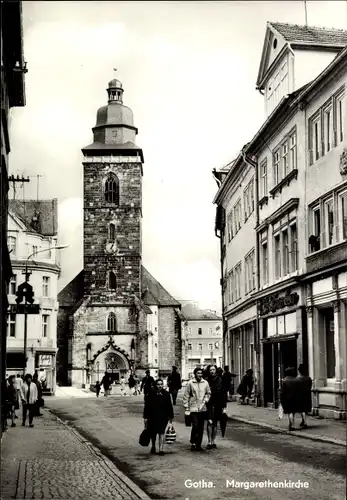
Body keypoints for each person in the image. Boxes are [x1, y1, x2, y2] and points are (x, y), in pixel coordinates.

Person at [183, 367, 211, 451]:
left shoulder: (205, 383)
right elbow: (186, 395)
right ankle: (193, 442)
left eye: (201, 373)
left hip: (202, 408)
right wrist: (186, 407)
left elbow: (208, 393)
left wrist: (206, 399)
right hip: (193, 408)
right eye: (198, 373)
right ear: (195, 374)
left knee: (201, 427)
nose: (200, 375)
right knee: (195, 425)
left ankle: (198, 444)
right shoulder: (190, 383)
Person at [143, 378, 174, 455]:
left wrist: (171, 418)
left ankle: (161, 449)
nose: (160, 386)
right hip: (152, 416)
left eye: (161, 384)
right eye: (158, 384)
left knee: (161, 432)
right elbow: (147, 406)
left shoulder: (166, 394)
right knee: (153, 433)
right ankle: (153, 446)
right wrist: (145, 417)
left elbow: (169, 406)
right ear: (155, 385)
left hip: (163, 417)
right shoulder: (150, 394)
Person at [206, 365, 227, 449]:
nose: (212, 371)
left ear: (216, 371)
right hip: (209, 404)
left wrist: (224, 407)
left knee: (215, 423)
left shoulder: (220, 380)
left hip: (218, 404)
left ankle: (213, 441)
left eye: (213, 370)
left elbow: (223, 394)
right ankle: (209, 441)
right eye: (210, 370)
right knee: (209, 422)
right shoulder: (206, 381)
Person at [280, 367, 298, 431]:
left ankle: (291, 425)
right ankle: (292, 424)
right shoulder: (296, 380)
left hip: (287, 398)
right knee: (293, 412)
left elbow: (282, 391)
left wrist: (281, 399)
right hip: (295, 397)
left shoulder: (284, 380)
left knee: (289, 412)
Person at [296, 364, 312, 429]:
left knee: (302, 409)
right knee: (305, 409)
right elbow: (310, 387)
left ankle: (305, 422)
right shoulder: (309, 378)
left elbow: (296, 387)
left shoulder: (297, 378)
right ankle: (303, 421)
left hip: (300, 395)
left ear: (299, 371)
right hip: (307, 395)